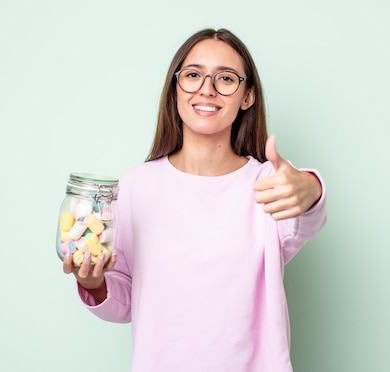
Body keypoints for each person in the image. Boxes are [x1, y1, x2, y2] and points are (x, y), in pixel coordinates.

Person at [62, 28, 327, 372]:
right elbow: (127, 301)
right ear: (175, 89)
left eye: (226, 79)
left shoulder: (268, 184)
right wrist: (93, 284)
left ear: (247, 97)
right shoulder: (138, 185)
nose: (207, 88)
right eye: (193, 75)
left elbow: (305, 219)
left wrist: (311, 188)